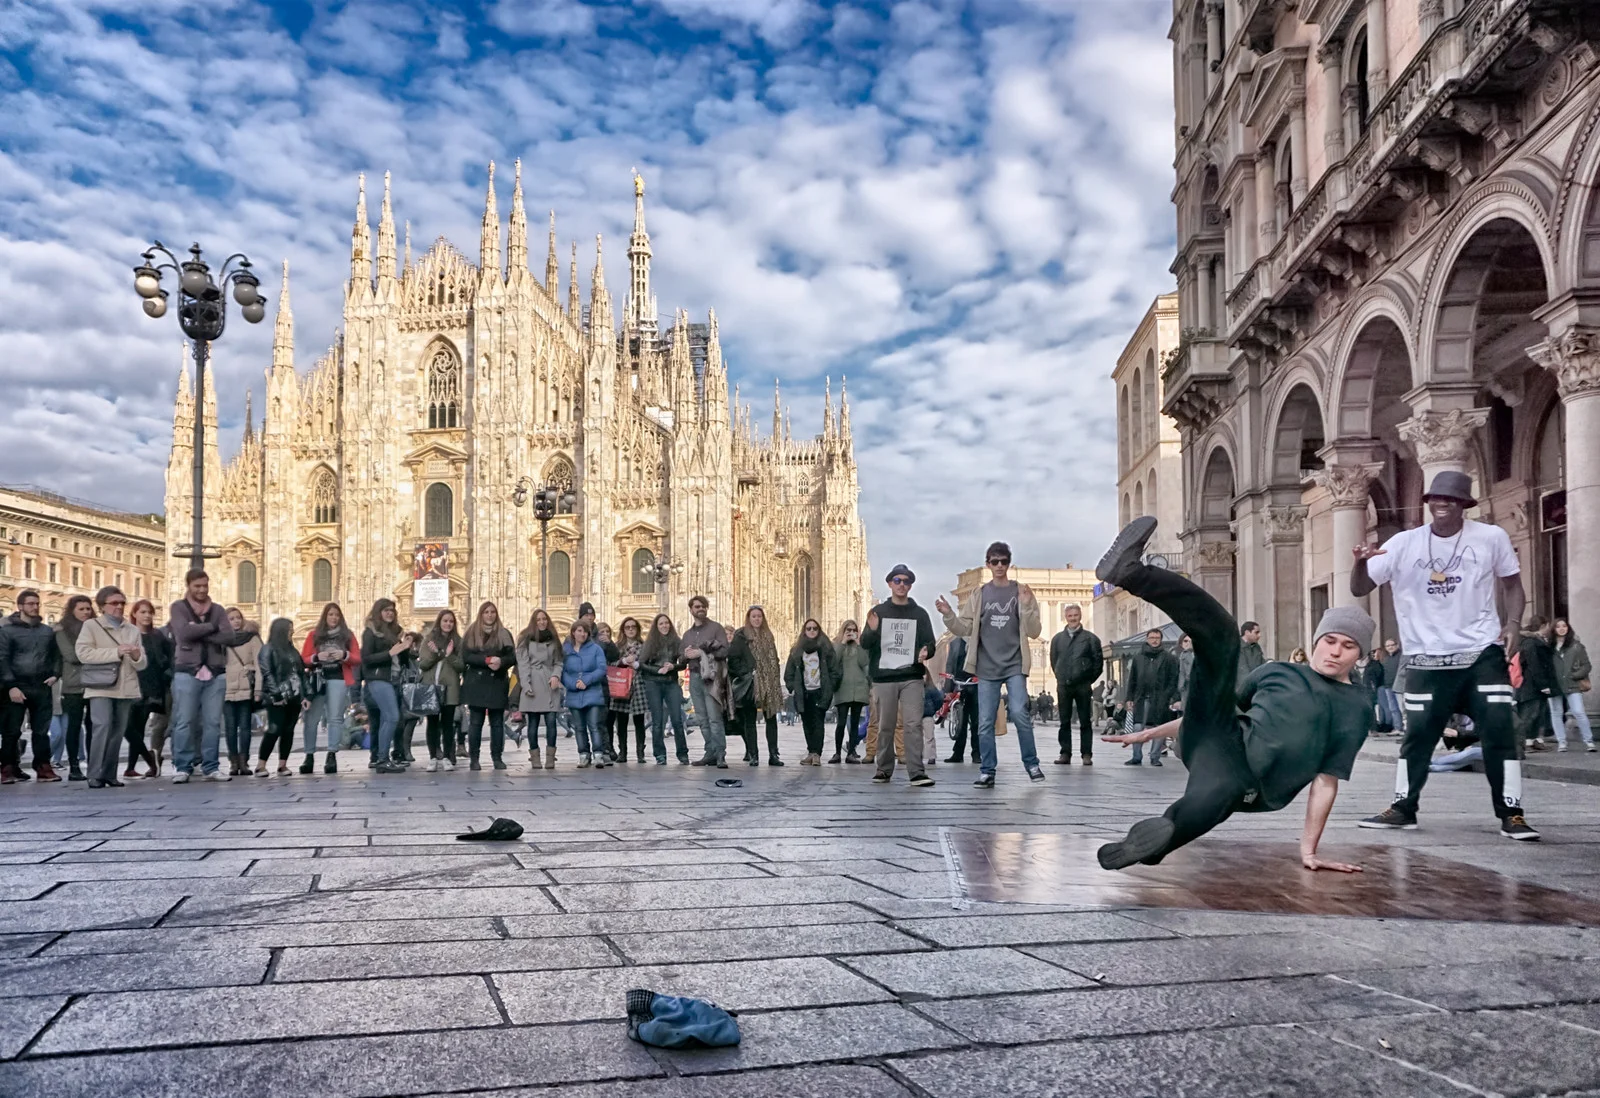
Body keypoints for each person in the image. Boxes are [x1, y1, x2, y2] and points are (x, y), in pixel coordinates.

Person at [1095, 517, 1375, 872]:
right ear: (1317, 641)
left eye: (1348, 646)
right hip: (1218, 737)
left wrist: (1309, 851)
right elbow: (1218, 707)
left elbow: (1326, 780)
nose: (1335, 651)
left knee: (1211, 800)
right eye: (1329, 641)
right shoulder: (1277, 671)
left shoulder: (1356, 707)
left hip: (1246, 778)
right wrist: (1151, 732)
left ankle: (1148, 846)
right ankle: (1132, 573)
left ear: (1359, 655)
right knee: (1224, 636)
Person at [1352, 470, 1538, 840]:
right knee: (1418, 737)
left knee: (1500, 731)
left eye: (1451, 499)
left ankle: (1512, 814)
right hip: (1425, 658)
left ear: (1464, 505)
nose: (1441, 504)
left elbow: (1513, 584)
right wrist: (1360, 561)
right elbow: (1360, 586)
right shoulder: (1405, 544)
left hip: (1481, 653)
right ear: (1427, 502)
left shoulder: (1491, 538)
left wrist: (1514, 621)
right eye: (1435, 498)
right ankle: (1403, 808)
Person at [937, 542, 1043, 787]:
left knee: (1018, 712)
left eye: (1003, 561)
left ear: (1009, 563)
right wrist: (948, 614)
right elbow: (964, 628)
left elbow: (1035, 631)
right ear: (988, 564)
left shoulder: (1021, 592)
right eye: (994, 562)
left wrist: (1026, 606)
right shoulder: (980, 594)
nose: (999, 566)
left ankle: (1032, 763)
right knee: (984, 721)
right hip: (986, 667)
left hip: (1015, 664)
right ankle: (987, 770)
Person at [169, 569, 249, 782]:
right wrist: (212, 627)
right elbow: (183, 633)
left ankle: (211, 767)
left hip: (215, 672)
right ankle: (183, 766)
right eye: (197, 586)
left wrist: (199, 630)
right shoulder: (178, 608)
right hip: (187, 670)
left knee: (213, 722)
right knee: (184, 721)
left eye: (205, 585)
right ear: (188, 586)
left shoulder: (218, 609)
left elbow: (229, 636)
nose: (202, 590)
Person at [862, 563, 937, 788]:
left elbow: (930, 643)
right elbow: (865, 643)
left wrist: (927, 651)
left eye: (906, 581)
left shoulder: (919, 614)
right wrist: (872, 629)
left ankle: (916, 772)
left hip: (911, 675)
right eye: (897, 581)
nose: (901, 585)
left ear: (910, 586)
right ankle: (884, 769)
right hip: (884, 677)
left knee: (913, 724)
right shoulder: (879, 612)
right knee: (885, 724)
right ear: (890, 584)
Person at [75, 586, 148, 789]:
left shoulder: (132, 629)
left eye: (122, 603)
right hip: (100, 685)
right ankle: (94, 773)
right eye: (114, 603)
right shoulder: (91, 626)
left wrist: (136, 656)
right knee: (102, 726)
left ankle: (109, 773)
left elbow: (141, 664)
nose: (119, 607)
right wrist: (115, 652)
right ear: (102, 606)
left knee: (118, 731)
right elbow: (83, 654)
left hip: (125, 686)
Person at [0, 589, 62, 784]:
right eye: (30, 604)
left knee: (41, 731)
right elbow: (2, 659)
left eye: (37, 603)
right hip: (16, 686)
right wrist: (10, 686)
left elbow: (56, 656)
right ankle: (8, 768)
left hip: (42, 685)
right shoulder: (7, 631)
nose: (35, 607)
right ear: (20, 607)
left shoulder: (47, 631)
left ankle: (43, 766)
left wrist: (55, 674)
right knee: (12, 730)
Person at [299, 602, 360, 774]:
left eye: (337, 615)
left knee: (335, 719)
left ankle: (332, 755)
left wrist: (344, 655)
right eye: (331, 615)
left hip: (338, 679)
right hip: (317, 681)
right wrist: (317, 657)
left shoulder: (347, 636)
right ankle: (309, 756)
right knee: (311, 719)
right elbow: (303, 659)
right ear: (325, 617)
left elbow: (357, 658)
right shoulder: (314, 635)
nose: (334, 618)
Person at [361, 598, 413, 773]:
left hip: (394, 679)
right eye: (386, 610)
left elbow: (402, 661)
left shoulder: (395, 633)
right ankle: (382, 758)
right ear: (378, 612)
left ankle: (383, 758)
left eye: (392, 610)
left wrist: (406, 647)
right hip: (378, 679)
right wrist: (389, 653)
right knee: (392, 717)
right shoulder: (370, 632)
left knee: (387, 719)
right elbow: (366, 659)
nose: (390, 613)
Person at [461, 601, 515, 771]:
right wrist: (486, 660)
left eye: (492, 612)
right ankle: (474, 759)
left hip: (497, 681)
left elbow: (513, 657)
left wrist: (501, 662)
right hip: (476, 682)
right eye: (486, 612)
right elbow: (466, 656)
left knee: (497, 723)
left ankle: (497, 758)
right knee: (475, 722)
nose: (490, 615)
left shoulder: (504, 633)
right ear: (481, 614)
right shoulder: (472, 632)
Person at [1049, 603, 1103, 767]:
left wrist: (1088, 679)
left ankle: (1086, 754)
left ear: (1080, 616)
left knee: (1085, 721)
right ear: (1066, 617)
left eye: (1075, 615)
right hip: (1064, 684)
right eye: (1070, 616)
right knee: (1064, 721)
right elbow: (1054, 659)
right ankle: (1065, 753)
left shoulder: (1090, 638)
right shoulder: (1058, 639)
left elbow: (1098, 663)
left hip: (1082, 685)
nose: (1073, 618)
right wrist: (1060, 676)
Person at [683, 596, 731, 768]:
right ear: (691, 610)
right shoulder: (687, 634)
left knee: (714, 718)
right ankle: (709, 752)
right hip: (695, 677)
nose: (700, 608)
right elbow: (682, 660)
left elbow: (725, 651)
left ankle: (720, 754)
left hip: (712, 678)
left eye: (703, 606)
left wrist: (701, 653)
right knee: (702, 719)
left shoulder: (716, 628)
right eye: (697, 606)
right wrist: (685, 655)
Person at [256, 617, 307, 777]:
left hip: (294, 695)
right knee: (274, 728)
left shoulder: (292, 650)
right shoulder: (268, 648)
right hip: (277, 695)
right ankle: (260, 765)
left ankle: (282, 765)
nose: (292, 631)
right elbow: (267, 672)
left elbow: (300, 674)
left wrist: (306, 695)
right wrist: (276, 693)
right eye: (289, 628)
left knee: (289, 730)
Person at [1120, 629, 1179, 766]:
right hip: (1141, 697)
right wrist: (1129, 697)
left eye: (1157, 638)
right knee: (1138, 727)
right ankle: (1136, 756)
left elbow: (1173, 679)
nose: (1154, 640)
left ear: (1161, 639)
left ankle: (1155, 756)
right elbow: (1132, 679)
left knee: (1159, 728)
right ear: (1147, 639)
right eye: (1152, 637)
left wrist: (1169, 696)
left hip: (1160, 699)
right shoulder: (1138, 657)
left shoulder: (1169, 658)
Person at [125, 599, 170, 779]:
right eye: (143, 612)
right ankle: (150, 758)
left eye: (149, 612)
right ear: (134, 614)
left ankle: (130, 767)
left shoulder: (158, 636)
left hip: (150, 687)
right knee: (126, 727)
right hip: (129, 685)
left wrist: (166, 674)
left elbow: (169, 657)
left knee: (138, 727)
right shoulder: (126, 634)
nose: (147, 616)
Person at [416, 609, 465, 771]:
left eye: (451, 621)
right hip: (432, 687)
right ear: (439, 622)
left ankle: (446, 757)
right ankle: (432, 757)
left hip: (450, 687)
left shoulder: (458, 641)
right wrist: (437, 653)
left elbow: (461, 666)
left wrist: (449, 655)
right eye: (445, 621)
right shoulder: (428, 639)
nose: (448, 624)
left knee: (448, 724)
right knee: (432, 723)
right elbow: (423, 664)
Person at [735, 607, 785, 766]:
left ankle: (773, 754)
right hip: (751, 681)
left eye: (759, 616)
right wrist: (747, 673)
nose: (757, 619)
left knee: (771, 718)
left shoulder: (768, 635)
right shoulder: (741, 635)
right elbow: (734, 658)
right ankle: (753, 754)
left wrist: (775, 674)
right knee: (750, 719)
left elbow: (774, 657)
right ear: (748, 618)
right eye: (754, 616)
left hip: (769, 681)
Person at [515, 609, 564, 770]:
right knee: (533, 723)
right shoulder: (525, 640)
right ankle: (534, 757)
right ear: (534, 623)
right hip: (533, 682)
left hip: (550, 683)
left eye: (544, 619)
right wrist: (526, 684)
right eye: (538, 620)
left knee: (551, 721)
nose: (542, 622)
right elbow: (523, 664)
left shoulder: (554, 640)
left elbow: (558, 662)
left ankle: (550, 757)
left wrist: (556, 675)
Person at [54, 595, 95, 782]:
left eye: (88, 608)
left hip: (96, 683)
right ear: (72, 610)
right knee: (74, 726)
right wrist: (96, 655)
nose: (86, 612)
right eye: (81, 609)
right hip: (73, 684)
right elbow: (70, 655)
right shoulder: (62, 630)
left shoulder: (97, 627)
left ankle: (94, 764)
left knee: (94, 725)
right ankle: (74, 766)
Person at [785, 618, 838, 765]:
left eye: (815, 628)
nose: (812, 631)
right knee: (807, 723)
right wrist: (792, 687)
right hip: (803, 692)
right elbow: (789, 672)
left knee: (818, 722)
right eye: (809, 628)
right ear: (804, 631)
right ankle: (811, 752)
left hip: (820, 691)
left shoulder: (826, 648)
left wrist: (830, 686)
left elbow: (835, 670)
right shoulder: (796, 650)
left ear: (819, 630)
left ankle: (817, 754)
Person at [640, 613, 689, 764]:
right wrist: (658, 670)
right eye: (661, 624)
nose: (664, 626)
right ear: (656, 626)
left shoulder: (676, 641)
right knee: (658, 720)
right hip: (653, 682)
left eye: (666, 623)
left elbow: (683, 663)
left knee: (677, 719)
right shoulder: (650, 643)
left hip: (671, 682)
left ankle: (682, 754)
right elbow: (642, 663)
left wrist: (672, 666)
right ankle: (659, 754)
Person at [562, 620, 609, 767]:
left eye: (585, 631)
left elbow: (601, 669)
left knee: (594, 724)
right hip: (574, 693)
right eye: (579, 631)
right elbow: (562, 671)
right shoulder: (566, 651)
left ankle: (598, 754)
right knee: (579, 727)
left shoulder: (595, 649)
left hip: (593, 692)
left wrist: (586, 680)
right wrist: (572, 684)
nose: (582, 634)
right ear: (573, 632)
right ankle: (583, 754)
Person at [222, 608, 262, 777]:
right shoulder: (221, 640)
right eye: (231, 618)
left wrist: (259, 688)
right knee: (230, 728)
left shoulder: (252, 638)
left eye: (238, 618)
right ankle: (233, 762)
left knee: (245, 727)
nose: (236, 621)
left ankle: (244, 762)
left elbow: (260, 665)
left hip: (246, 687)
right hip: (227, 688)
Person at [608, 618, 649, 763]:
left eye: (633, 627)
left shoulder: (644, 646)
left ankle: (640, 753)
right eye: (627, 627)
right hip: (621, 684)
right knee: (621, 721)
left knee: (639, 720)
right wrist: (623, 662)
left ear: (637, 629)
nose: (630, 629)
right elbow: (610, 665)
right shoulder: (617, 647)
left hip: (638, 684)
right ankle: (623, 752)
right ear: (623, 630)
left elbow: (648, 664)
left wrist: (637, 664)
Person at [1551, 618, 1595, 752]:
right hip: (1555, 685)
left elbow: (1586, 665)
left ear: (1568, 628)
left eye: (1564, 626)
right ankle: (1562, 742)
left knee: (1579, 712)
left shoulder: (1576, 646)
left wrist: (1574, 676)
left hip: (1573, 684)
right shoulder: (1549, 647)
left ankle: (1589, 741)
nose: (1561, 629)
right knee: (1556, 713)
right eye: (1558, 626)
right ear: (1553, 629)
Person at [1514, 615, 1557, 752]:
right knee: (1529, 715)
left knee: (1538, 715)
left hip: (1533, 684)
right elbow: (1534, 665)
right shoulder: (1530, 642)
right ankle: (1523, 744)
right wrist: (1543, 685)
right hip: (1530, 685)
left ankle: (1532, 741)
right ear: (1543, 625)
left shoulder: (1534, 640)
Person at [830, 620, 869, 764]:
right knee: (841, 722)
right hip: (843, 688)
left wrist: (859, 644)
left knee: (854, 723)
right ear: (843, 630)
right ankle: (837, 753)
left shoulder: (861, 646)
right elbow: (834, 661)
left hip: (859, 688)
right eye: (848, 629)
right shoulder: (837, 644)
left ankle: (851, 752)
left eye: (854, 630)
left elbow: (864, 662)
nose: (851, 632)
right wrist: (843, 642)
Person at [942, 633, 978, 764]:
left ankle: (977, 753)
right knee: (960, 722)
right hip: (960, 686)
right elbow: (950, 667)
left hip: (976, 685)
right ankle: (958, 753)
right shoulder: (955, 642)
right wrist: (948, 690)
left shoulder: (978, 640)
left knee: (977, 722)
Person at [1237, 621, 1266, 687]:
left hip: (1254, 685)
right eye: (1256, 632)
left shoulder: (1256, 646)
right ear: (1247, 632)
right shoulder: (1237, 647)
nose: (1259, 635)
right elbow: (1242, 673)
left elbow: (1262, 664)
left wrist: (1270, 662)